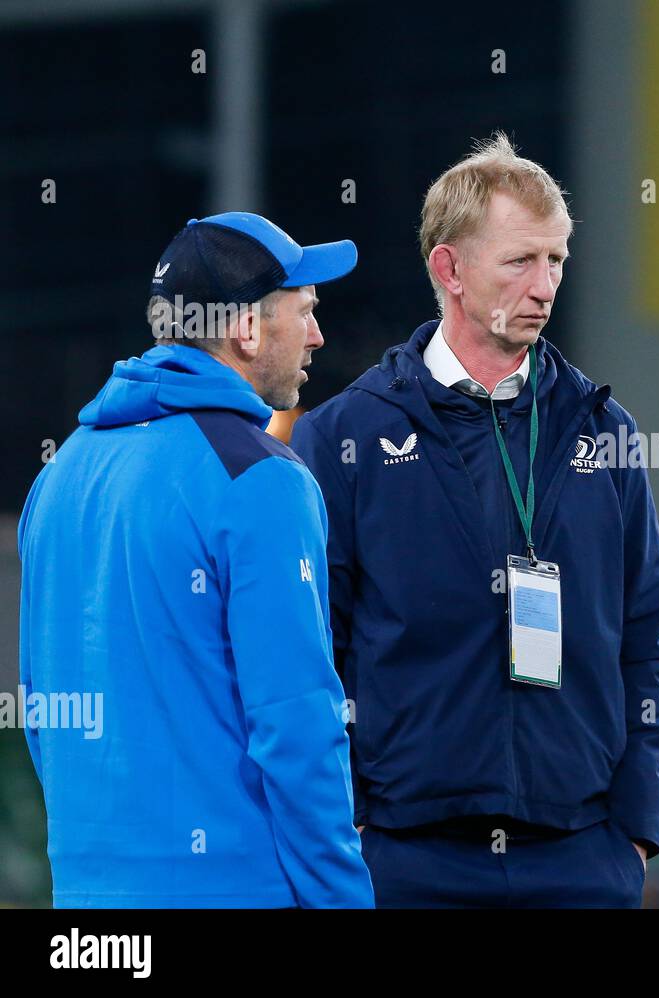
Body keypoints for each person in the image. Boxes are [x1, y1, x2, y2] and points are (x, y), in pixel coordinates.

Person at [290, 134, 659, 908]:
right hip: (405, 855)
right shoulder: (343, 436)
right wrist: (351, 826)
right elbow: (314, 650)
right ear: (449, 270)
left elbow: (644, 634)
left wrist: (635, 831)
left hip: (580, 854)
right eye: (520, 262)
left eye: (557, 260)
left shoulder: (606, 430)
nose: (545, 287)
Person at [17, 212, 374, 908]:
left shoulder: (58, 476)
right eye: (304, 311)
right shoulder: (262, 478)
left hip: (88, 905)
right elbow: (298, 724)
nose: (317, 335)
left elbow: (42, 708)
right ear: (245, 329)